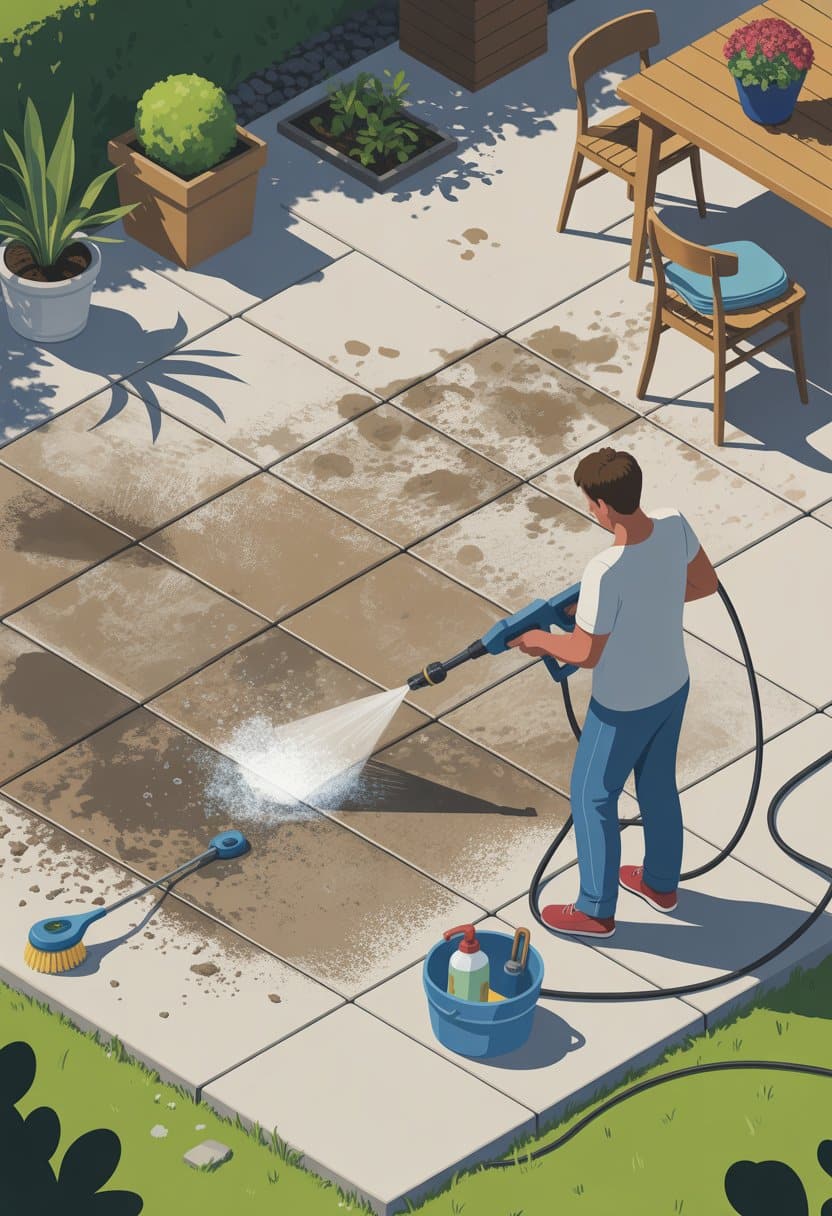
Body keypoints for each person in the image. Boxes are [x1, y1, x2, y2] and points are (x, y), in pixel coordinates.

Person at [508, 448, 719, 938]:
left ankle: (596, 910)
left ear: (602, 505)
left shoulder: (605, 569)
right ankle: (662, 883)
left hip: (623, 705)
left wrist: (539, 640)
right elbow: (704, 583)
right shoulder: (674, 524)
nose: (589, 510)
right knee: (657, 784)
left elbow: (584, 652)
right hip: (673, 684)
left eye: (588, 502)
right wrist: (646, 601)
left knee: (592, 796)